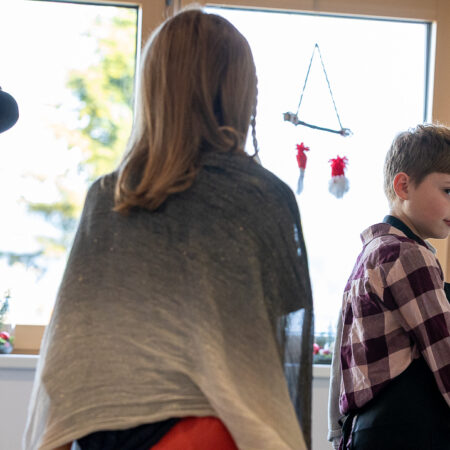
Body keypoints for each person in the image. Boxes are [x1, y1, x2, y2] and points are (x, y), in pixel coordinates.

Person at [23, 7, 314, 450]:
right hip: (211, 433)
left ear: (153, 89)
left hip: (99, 432)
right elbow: (277, 322)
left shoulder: (109, 196)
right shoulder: (261, 198)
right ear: (238, 91)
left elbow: (71, 347)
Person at [328, 123, 450, 450]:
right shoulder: (409, 256)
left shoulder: (370, 255)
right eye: (448, 191)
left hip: (366, 432)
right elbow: (445, 353)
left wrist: (337, 433)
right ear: (403, 186)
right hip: (405, 431)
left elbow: (343, 358)